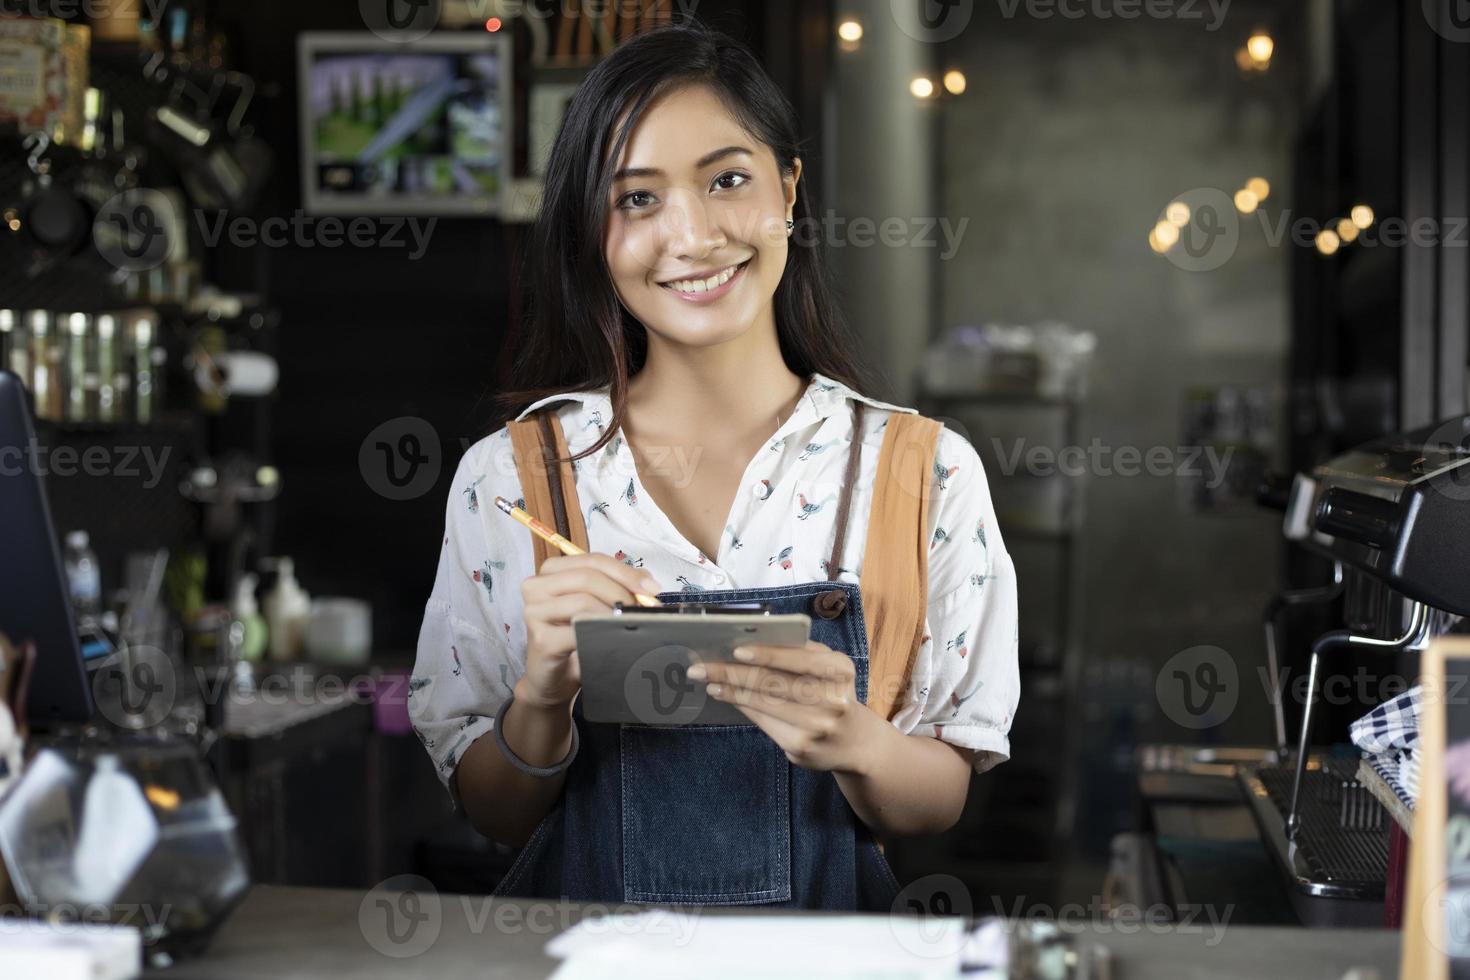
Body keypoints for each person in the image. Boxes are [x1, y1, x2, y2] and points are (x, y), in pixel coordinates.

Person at [409, 19, 1019, 911]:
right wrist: (541, 698)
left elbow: (940, 800)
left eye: (727, 180)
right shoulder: (510, 481)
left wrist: (853, 738)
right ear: (592, 229)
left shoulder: (923, 474)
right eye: (638, 200)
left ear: (789, 190)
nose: (692, 237)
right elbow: (496, 815)